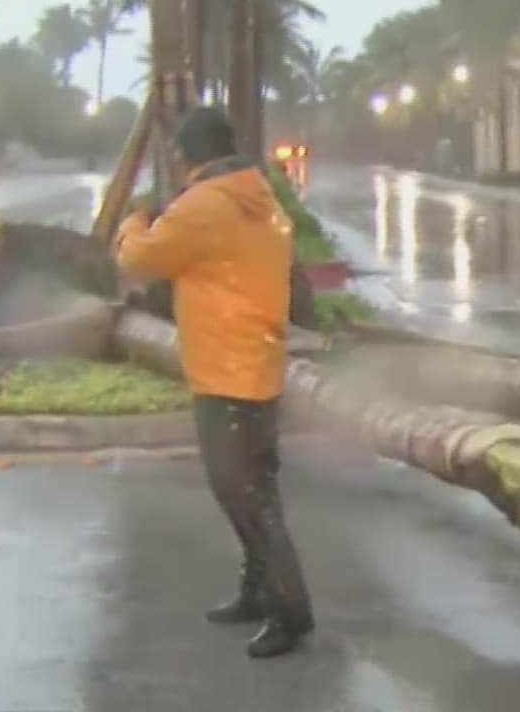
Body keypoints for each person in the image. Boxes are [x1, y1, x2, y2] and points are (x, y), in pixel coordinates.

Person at [112, 106, 314, 659]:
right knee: (255, 489)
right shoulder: (257, 194)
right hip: (258, 361)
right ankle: (258, 591)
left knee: (242, 494)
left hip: (225, 371)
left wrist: (134, 220)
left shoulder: (204, 204)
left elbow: (140, 258)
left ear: (187, 155)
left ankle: (289, 611)